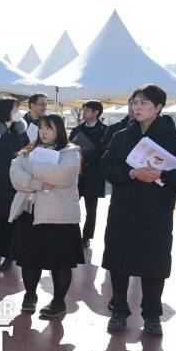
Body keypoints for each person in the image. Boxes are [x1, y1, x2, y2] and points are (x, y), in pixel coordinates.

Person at [101, 84, 176, 335]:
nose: (137, 107)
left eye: (144, 103)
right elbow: (106, 167)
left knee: (154, 265)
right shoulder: (121, 137)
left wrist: (163, 175)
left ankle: (152, 315)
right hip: (123, 211)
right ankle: (118, 310)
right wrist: (131, 173)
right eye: (134, 102)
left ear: (158, 107)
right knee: (119, 262)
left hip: (156, 213)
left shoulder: (175, 141)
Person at [9, 114, 83, 318]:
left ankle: (59, 302)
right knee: (29, 259)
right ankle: (30, 295)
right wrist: (38, 183)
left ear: (59, 130)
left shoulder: (70, 152)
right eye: (41, 127)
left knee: (60, 262)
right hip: (30, 213)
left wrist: (30, 167)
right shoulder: (28, 151)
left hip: (59, 216)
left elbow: (62, 175)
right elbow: (15, 175)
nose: (43, 132)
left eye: (49, 128)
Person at [0, 98, 29, 271]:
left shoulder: (20, 129)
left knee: (12, 221)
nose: (18, 112)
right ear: (6, 110)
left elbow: (27, 150)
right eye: (15, 109)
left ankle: (10, 256)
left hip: (14, 183)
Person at [69, 100, 107, 248]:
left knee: (91, 210)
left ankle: (86, 237)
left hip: (94, 175)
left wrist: (84, 155)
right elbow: (69, 145)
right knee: (71, 205)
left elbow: (104, 151)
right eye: (83, 110)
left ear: (96, 112)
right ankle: (71, 233)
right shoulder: (77, 129)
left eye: (86, 110)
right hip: (76, 173)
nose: (83, 113)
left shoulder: (105, 130)